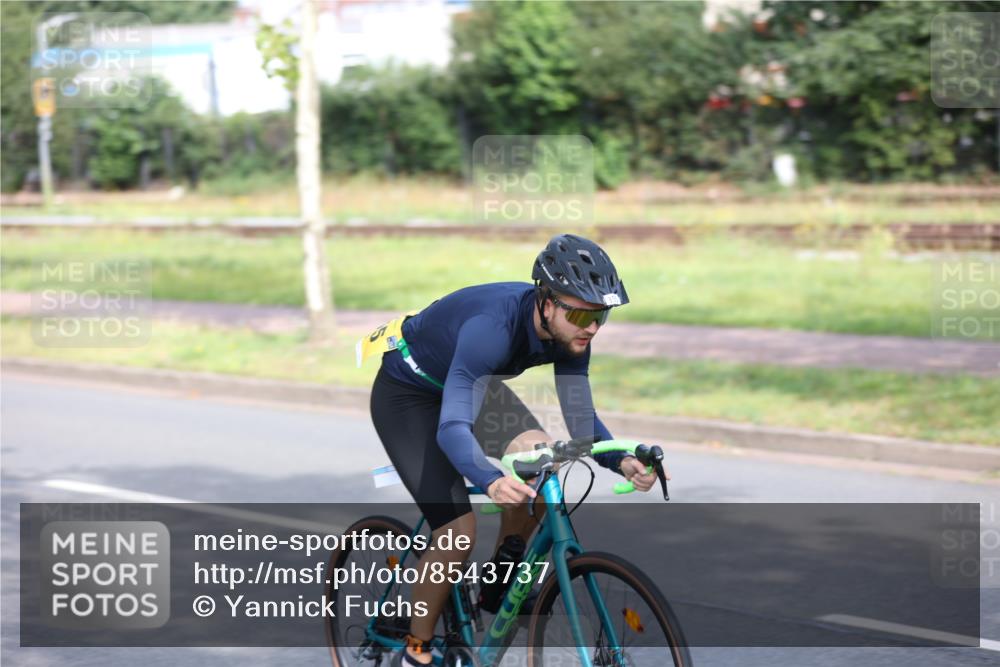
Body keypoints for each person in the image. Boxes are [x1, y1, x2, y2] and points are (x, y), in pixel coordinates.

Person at [366, 234, 666, 666]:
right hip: (409, 396)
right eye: (581, 312)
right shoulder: (492, 330)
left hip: (468, 386)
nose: (592, 326)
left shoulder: (573, 334)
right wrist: (489, 480)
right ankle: (417, 647)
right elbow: (452, 428)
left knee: (542, 461)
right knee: (456, 532)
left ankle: (500, 577)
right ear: (545, 302)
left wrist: (622, 461)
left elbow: (582, 422)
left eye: (601, 314)